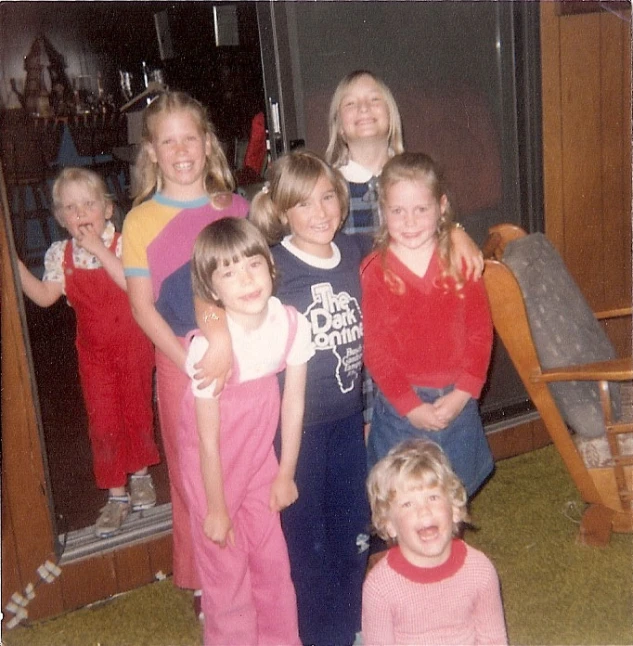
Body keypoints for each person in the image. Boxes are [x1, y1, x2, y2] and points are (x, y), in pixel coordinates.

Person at [122, 91, 250, 601]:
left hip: (241, 354)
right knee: (195, 473)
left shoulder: (234, 206)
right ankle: (207, 586)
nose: (180, 151)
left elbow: (252, 285)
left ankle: (250, 563)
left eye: (189, 139)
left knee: (242, 459)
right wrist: (192, 363)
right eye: (167, 141)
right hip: (181, 364)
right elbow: (141, 308)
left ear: (207, 144)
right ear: (151, 151)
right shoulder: (140, 220)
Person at [249, 150, 372, 646]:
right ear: (281, 213)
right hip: (296, 428)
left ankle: (352, 626)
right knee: (306, 539)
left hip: (347, 419)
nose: (320, 212)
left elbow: (411, 238)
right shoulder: (274, 265)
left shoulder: (355, 249)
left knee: (353, 527)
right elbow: (207, 288)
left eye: (327, 197)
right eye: (303, 204)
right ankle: (319, 635)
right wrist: (213, 330)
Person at [326, 69, 483, 430]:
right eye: (351, 103)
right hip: (352, 325)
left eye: (374, 99)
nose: (364, 108)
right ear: (339, 122)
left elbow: (435, 219)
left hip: (404, 325)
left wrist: (456, 230)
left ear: (391, 114)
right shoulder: (327, 182)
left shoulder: (412, 175)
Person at [181, 218, 312, 645]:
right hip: (211, 472)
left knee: (272, 567)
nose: (246, 280)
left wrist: (285, 472)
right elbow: (206, 441)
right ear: (213, 291)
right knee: (227, 579)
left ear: (270, 268)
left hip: (260, 462)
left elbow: (293, 403)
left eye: (253, 265)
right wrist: (215, 508)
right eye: (229, 272)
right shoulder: (209, 349)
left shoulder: (291, 324)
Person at [18, 167, 159, 538]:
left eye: (88, 205)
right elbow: (45, 298)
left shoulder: (122, 241)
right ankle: (116, 494)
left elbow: (132, 284)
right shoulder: (59, 255)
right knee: (103, 420)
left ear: (107, 210)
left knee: (136, 407)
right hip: (94, 355)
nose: (81, 214)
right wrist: (15, 268)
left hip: (133, 346)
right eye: (71, 208)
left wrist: (97, 247)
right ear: (61, 218)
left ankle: (141, 475)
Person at [361, 152, 494, 497]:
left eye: (421, 209)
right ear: (383, 211)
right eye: (397, 211)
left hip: (458, 399)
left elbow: (480, 332)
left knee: (454, 491)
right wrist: (410, 405)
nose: (409, 221)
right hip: (401, 407)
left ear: (441, 207)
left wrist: (464, 392)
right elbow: (374, 348)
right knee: (403, 494)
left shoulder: (461, 261)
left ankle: (452, 550)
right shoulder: (375, 271)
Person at [362, 438, 508, 645]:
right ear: (388, 525)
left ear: (455, 509)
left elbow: (493, 640)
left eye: (433, 497)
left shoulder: (479, 570)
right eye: (407, 504)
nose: (424, 510)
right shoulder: (380, 587)